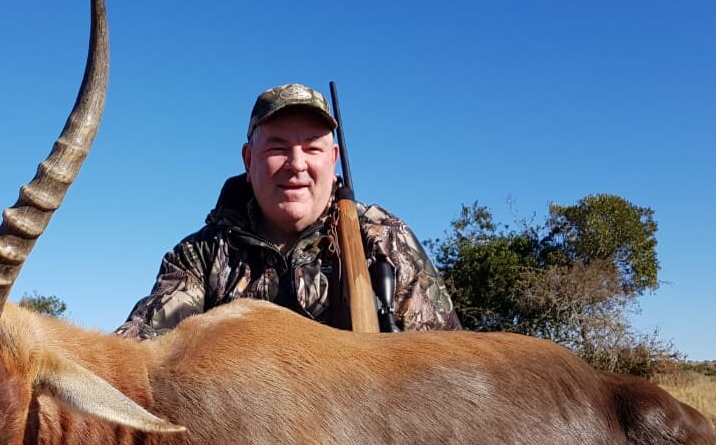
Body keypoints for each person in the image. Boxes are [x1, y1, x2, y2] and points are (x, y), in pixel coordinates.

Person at [118, 83, 461, 339]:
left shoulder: (384, 240)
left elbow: (449, 366)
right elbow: (142, 350)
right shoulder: (200, 255)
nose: (296, 165)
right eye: (278, 148)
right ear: (249, 161)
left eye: (312, 148)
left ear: (333, 159)